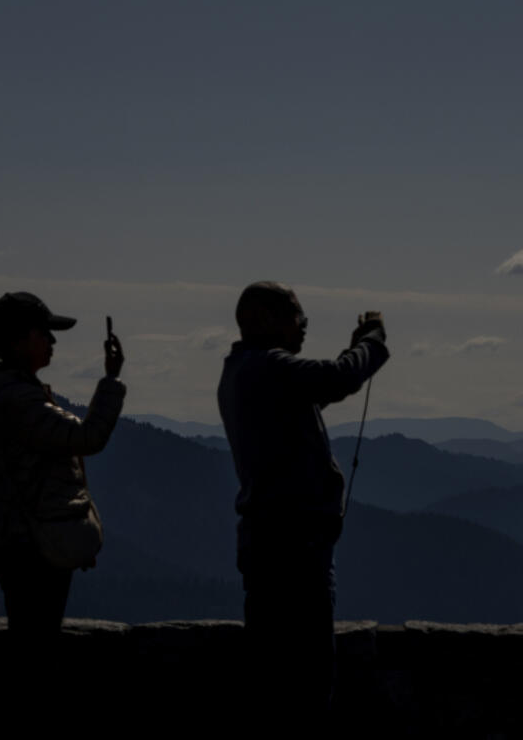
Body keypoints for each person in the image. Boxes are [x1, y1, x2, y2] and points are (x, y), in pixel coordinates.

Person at [217, 281, 388, 729]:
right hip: (294, 548)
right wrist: (372, 340)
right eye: (300, 318)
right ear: (267, 320)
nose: (305, 328)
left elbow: (324, 387)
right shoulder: (267, 366)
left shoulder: (245, 370)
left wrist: (354, 353)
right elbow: (336, 378)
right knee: (308, 679)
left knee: (274, 675)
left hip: (269, 543)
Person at [0, 292, 125, 728]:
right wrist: (110, 381)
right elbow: (89, 437)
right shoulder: (22, 402)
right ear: (19, 341)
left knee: (32, 654)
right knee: (36, 662)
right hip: (31, 550)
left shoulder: (18, 397)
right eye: (45, 334)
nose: (53, 343)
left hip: (23, 545)